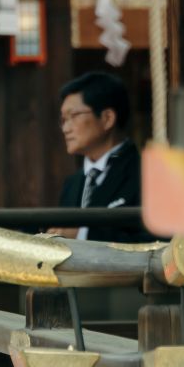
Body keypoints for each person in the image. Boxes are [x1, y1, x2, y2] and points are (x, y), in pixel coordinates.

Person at [52, 72, 148, 244]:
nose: (65, 128)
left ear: (107, 118)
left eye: (73, 116)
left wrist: (83, 235)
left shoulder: (147, 174)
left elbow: (158, 243)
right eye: (63, 120)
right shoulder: (73, 183)